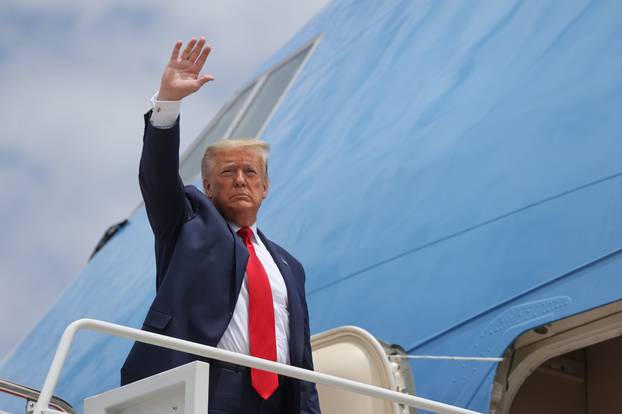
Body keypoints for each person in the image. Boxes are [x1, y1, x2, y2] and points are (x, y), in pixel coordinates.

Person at [120, 37, 321, 414]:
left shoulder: (290, 267)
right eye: (229, 172)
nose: (241, 180)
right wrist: (168, 101)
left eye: (250, 173)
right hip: (209, 387)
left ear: (265, 188)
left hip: (280, 399)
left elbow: (301, 358)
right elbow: (158, 177)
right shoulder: (187, 224)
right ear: (208, 187)